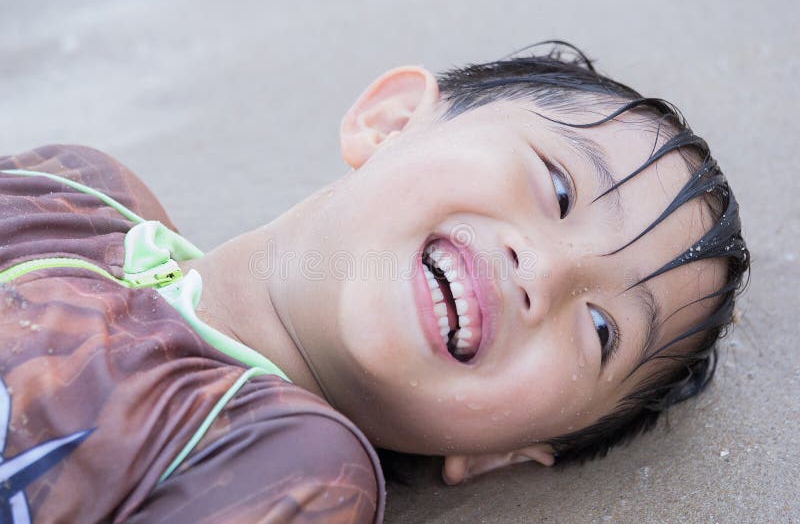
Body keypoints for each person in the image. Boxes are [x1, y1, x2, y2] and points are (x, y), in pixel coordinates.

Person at [0, 42, 749, 524]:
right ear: (389, 122)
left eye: (600, 330)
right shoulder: (69, 191)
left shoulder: (298, 470)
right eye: (558, 190)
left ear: (503, 454)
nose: (545, 273)